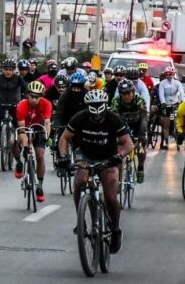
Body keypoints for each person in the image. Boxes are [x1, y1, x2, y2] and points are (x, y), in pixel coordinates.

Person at [57, 89, 135, 255]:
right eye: (93, 109)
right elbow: (65, 138)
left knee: (110, 197)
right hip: (85, 155)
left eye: (100, 108)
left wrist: (119, 156)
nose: (97, 115)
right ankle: (81, 220)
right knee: (80, 181)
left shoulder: (113, 119)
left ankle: (115, 230)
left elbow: (128, 143)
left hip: (108, 157)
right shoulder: (79, 117)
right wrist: (63, 157)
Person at [13, 81, 52, 201]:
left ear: (41, 96)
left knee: (40, 156)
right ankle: (19, 163)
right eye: (32, 96)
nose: (34, 100)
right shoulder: (21, 105)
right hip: (24, 128)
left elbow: (47, 123)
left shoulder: (46, 104)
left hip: (39, 129)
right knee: (13, 142)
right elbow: (22, 130)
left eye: (37, 97)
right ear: (27, 95)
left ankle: (39, 185)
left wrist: (47, 137)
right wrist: (25, 146)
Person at [110, 79, 148, 183]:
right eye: (123, 94)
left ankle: (140, 168)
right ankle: (117, 178)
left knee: (141, 148)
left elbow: (144, 118)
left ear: (133, 92)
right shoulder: (116, 101)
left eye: (128, 93)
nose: (126, 96)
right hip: (121, 126)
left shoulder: (139, 100)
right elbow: (114, 119)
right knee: (117, 150)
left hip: (137, 126)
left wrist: (142, 134)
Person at [0, 58, 27, 152]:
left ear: (14, 70)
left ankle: (17, 141)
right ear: (3, 69)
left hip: (15, 104)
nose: (8, 72)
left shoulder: (18, 78)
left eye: (10, 70)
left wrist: (24, 100)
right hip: (1, 103)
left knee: (17, 123)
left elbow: (26, 88)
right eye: (6, 69)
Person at [157, 66, 185, 150]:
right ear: (165, 74)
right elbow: (161, 94)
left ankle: (178, 138)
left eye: (170, 74)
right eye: (167, 74)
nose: (169, 76)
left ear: (173, 74)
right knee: (166, 125)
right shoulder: (162, 83)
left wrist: (183, 102)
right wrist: (163, 103)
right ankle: (166, 142)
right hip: (166, 105)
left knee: (176, 122)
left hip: (175, 104)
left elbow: (181, 93)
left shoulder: (177, 83)